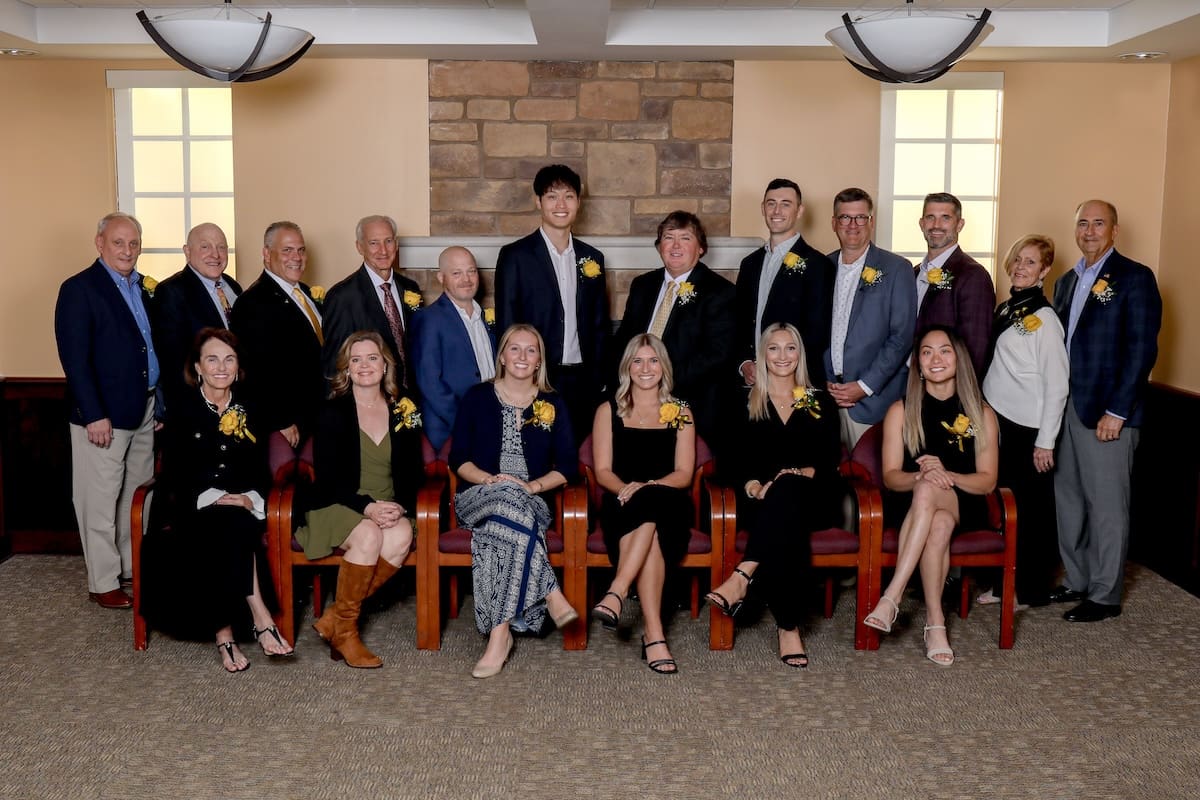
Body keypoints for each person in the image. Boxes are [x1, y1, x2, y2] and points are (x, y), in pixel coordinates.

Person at [140, 328, 291, 672]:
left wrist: (250, 499)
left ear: (238, 367)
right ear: (198, 368)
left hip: (240, 506)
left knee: (234, 521)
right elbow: (176, 473)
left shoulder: (251, 407)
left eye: (229, 359)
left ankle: (226, 637)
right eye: (212, 359)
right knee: (225, 523)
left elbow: (259, 468)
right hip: (191, 507)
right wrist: (215, 497)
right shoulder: (182, 410)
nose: (221, 367)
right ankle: (260, 617)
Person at [1051, 200, 1162, 622]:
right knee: (1071, 501)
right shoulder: (1065, 281)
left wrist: (1118, 411)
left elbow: (1141, 348)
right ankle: (1077, 581)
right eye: (1083, 223)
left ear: (1114, 231)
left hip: (1108, 413)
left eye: (1099, 223)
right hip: (1068, 410)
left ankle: (1104, 595)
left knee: (1107, 505)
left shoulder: (1135, 278)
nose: (1090, 230)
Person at [706, 323, 842, 669]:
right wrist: (753, 486)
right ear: (762, 355)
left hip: (813, 501)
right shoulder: (743, 402)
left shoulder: (820, 401)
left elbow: (830, 463)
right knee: (785, 524)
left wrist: (795, 476)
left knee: (789, 491)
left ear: (800, 355)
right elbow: (727, 463)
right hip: (759, 505)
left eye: (790, 348)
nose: (783, 356)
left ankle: (742, 575)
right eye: (774, 348)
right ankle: (788, 627)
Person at [449, 324, 579, 679]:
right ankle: (551, 592)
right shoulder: (477, 397)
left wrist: (532, 486)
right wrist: (491, 481)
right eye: (515, 349)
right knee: (504, 498)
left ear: (539, 361)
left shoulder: (552, 402)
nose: (522, 357)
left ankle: (499, 635)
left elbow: (567, 466)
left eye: (531, 350)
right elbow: (458, 459)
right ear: (502, 356)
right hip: (478, 496)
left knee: (500, 529)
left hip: (529, 501)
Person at [863, 326, 998, 667]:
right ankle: (935, 623)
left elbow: (987, 482)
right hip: (910, 504)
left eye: (944, 351)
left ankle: (892, 595)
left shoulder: (981, 413)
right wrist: (922, 475)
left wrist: (946, 475)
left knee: (932, 491)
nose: (935, 359)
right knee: (934, 516)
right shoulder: (901, 410)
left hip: (964, 501)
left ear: (959, 359)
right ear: (918, 364)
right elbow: (892, 478)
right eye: (926, 352)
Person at [296, 331, 424, 668]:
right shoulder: (331, 412)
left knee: (401, 536)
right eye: (356, 360)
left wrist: (400, 506)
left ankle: (333, 620)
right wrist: (367, 507)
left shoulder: (404, 408)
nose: (364, 365)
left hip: (387, 505)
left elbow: (413, 473)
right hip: (338, 503)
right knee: (369, 535)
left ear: (385, 365)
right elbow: (328, 480)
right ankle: (348, 633)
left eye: (372, 358)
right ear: (346, 369)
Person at [54, 212, 160, 610]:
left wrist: (158, 402)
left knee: (136, 498)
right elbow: (75, 359)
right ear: (99, 243)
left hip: (144, 408)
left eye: (133, 243)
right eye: (119, 243)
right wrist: (93, 412)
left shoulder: (142, 288)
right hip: (102, 417)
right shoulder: (80, 289)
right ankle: (103, 581)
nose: (127, 250)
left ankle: (130, 568)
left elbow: (149, 349)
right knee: (98, 501)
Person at [589, 334, 696, 675]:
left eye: (653, 361)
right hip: (621, 501)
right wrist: (628, 491)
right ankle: (654, 636)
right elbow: (603, 470)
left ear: (663, 367)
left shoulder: (681, 411)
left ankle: (617, 591)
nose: (645, 368)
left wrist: (648, 487)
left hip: (671, 502)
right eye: (638, 361)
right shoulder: (608, 409)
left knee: (653, 503)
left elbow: (683, 474)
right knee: (649, 528)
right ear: (627, 367)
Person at [979, 235, 1069, 608]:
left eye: (1030, 262)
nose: (1020, 266)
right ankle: (1000, 586)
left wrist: (1045, 441)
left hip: (1028, 429)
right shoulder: (1006, 308)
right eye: (1018, 259)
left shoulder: (1045, 319)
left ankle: (1028, 590)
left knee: (1030, 516)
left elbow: (1058, 383)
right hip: (999, 421)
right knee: (1001, 510)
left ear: (1045, 270)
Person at [495, 164, 609, 440]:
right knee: (538, 453)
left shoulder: (592, 258)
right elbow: (508, 324)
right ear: (538, 202)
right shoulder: (515, 256)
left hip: (583, 380)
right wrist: (518, 375)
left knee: (579, 457)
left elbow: (599, 323)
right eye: (552, 196)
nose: (561, 204)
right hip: (536, 376)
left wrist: (600, 378)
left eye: (569, 196)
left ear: (578, 203)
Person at [613, 211, 736, 455]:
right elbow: (624, 341)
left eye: (686, 238)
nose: (676, 245)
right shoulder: (642, 285)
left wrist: (660, 381)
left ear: (701, 248)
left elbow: (717, 355)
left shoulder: (721, 292)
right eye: (669, 238)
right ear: (660, 247)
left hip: (692, 401)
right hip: (635, 398)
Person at [229, 221, 325, 476]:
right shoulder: (253, 303)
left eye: (301, 250)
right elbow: (254, 369)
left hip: (316, 417)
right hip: (288, 424)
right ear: (266, 254)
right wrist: (279, 420)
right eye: (287, 250)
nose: (297, 257)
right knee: (288, 498)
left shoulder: (303, 293)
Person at [825, 188, 917, 448]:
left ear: (871, 222)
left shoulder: (897, 269)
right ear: (834, 223)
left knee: (870, 481)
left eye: (860, 218)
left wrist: (864, 386)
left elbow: (901, 337)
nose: (853, 225)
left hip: (873, 401)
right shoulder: (824, 266)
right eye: (845, 218)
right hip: (828, 397)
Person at [735, 178, 833, 385]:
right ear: (763, 209)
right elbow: (740, 321)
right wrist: (744, 362)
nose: (777, 211)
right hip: (753, 383)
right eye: (771, 203)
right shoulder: (749, 264)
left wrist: (782, 369)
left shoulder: (818, 265)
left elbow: (818, 331)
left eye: (785, 204)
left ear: (799, 211)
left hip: (795, 380)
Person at [322, 215, 422, 392]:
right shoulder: (342, 297)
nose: (383, 250)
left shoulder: (410, 288)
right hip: (369, 403)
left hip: (413, 400)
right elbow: (334, 367)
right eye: (374, 243)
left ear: (396, 244)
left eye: (388, 241)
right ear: (360, 247)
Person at [410, 246, 497, 450]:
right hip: (451, 429)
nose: (466, 279)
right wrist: (468, 422)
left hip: (488, 423)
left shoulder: (485, 317)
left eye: (471, 271)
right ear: (441, 277)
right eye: (456, 273)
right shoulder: (429, 319)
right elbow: (430, 383)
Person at [153, 222, 242, 412]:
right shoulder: (171, 292)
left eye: (221, 247)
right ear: (187, 251)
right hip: (198, 405)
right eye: (205, 247)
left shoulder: (233, 287)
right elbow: (173, 362)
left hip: (236, 400)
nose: (215, 255)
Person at [914, 192, 996, 378]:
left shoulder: (973, 275)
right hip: (913, 384)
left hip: (949, 389)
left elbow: (976, 346)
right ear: (921, 224)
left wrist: (959, 397)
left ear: (959, 224)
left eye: (945, 218)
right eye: (930, 218)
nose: (936, 225)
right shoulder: (914, 273)